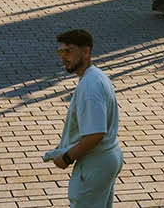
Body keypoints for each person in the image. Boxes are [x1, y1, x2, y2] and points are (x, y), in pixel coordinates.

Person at [47, 29, 123, 207]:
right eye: (61, 51)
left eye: (69, 51)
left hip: (96, 163)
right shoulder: (96, 75)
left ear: (86, 51)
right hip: (107, 158)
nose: (64, 56)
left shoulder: (89, 87)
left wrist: (66, 158)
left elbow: (95, 134)